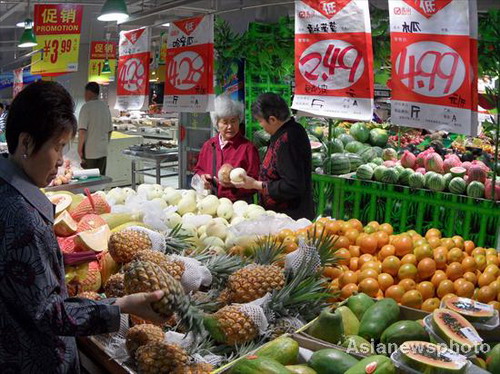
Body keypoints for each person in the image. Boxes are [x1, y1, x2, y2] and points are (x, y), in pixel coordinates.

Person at [0, 81, 165, 373]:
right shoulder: (21, 216)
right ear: (26, 143)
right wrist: (122, 305)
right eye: (57, 146)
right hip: (34, 359)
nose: (62, 160)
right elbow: (49, 314)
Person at [233, 93, 315, 220]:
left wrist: (256, 184)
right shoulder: (288, 131)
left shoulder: (289, 139)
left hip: (289, 219)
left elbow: (292, 186)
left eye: (260, 121)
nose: (260, 125)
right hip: (280, 215)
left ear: (272, 119)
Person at [193, 95, 260, 202]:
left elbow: (256, 181)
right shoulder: (209, 145)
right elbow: (199, 169)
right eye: (225, 122)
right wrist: (202, 177)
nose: (230, 126)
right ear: (216, 123)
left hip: (239, 204)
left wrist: (237, 185)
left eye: (233, 121)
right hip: (212, 202)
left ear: (239, 120)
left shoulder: (248, 148)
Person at [78, 82, 113, 175]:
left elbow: (82, 131)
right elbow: (110, 131)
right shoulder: (105, 107)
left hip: (90, 152)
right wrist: (104, 144)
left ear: (88, 92)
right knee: (101, 179)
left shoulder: (86, 107)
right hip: (103, 151)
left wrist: (79, 149)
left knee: (89, 180)